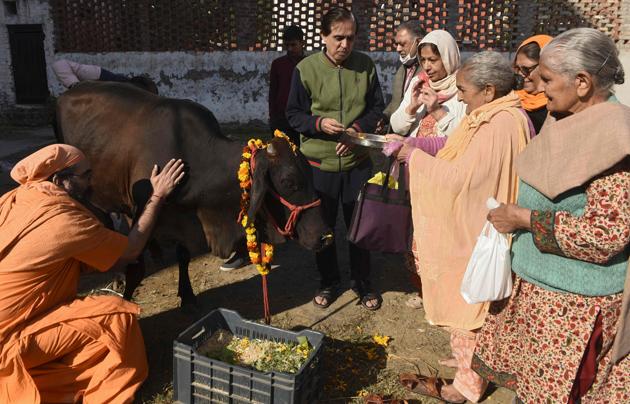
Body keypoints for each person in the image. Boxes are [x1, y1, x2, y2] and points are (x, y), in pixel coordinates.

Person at [473, 28, 629, 403]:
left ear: (581, 82)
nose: (538, 87)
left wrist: (525, 219)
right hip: (542, 295)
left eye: (546, 78)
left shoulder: (615, 137)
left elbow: (607, 234)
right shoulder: (565, 117)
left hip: (572, 308)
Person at [393, 51, 531, 403]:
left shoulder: (499, 124)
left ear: (488, 90)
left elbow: (463, 181)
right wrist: (419, 146)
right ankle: (466, 364)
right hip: (479, 227)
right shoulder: (490, 116)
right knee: (470, 306)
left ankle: (466, 387)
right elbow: (456, 152)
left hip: (475, 231)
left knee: (469, 307)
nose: (459, 96)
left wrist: (414, 158)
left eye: (464, 89)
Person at [0, 144, 184, 403]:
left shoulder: (15, 198)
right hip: (6, 343)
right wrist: (157, 197)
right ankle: (86, 393)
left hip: (11, 323)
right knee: (116, 315)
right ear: (59, 180)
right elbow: (130, 251)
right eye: (85, 176)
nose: (91, 182)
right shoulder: (63, 220)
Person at [286, 6, 385, 311]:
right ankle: (328, 282)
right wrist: (318, 124)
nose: (345, 45)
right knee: (323, 229)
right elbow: (293, 115)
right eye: (338, 38)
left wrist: (356, 132)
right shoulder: (305, 69)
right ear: (323, 36)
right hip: (319, 167)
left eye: (351, 38)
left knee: (360, 227)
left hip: (357, 164)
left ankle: (363, 283)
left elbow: (375, 108)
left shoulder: (366, 66)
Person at [385, 29, 467, 310]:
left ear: (449, 57)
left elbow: (462, 136)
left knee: (442, 233)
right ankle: (422, 288)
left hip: (443, 175)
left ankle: (444, 290)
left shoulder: (463, 89)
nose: (429, 66)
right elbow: (397, 126)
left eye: (434, 59)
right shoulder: (419, 83)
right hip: (415, 171)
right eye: (424, 60)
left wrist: (436, 110)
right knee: (416, 231)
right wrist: (411, 106)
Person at [380, 21, 424, 128]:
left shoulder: (429, 71)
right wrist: (384, 117)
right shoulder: (402, 69)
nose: (398, 49)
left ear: (418, 42)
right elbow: (397, 101)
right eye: (397, 44)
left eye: (403, 44)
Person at [269, 25, 306, 146]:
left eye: (293, 45)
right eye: (287, 45)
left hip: (303, 116)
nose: (290, 48)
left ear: (302, 43)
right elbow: (273, 92)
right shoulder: (278, 64)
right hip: (281, 117)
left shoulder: (310, 65)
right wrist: (272, 118)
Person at [513, 34, 552, 133]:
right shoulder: (512, 99)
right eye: (517, 68)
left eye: (526, 69)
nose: (521, 75)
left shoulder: (556, 105)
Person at [52, 59, 158, 94]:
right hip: (95, 77)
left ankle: (144, 88)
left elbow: (60, 65)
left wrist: (75, 85)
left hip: (98, 74)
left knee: (123, 83)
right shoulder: (64, 75)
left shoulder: (59, 64)